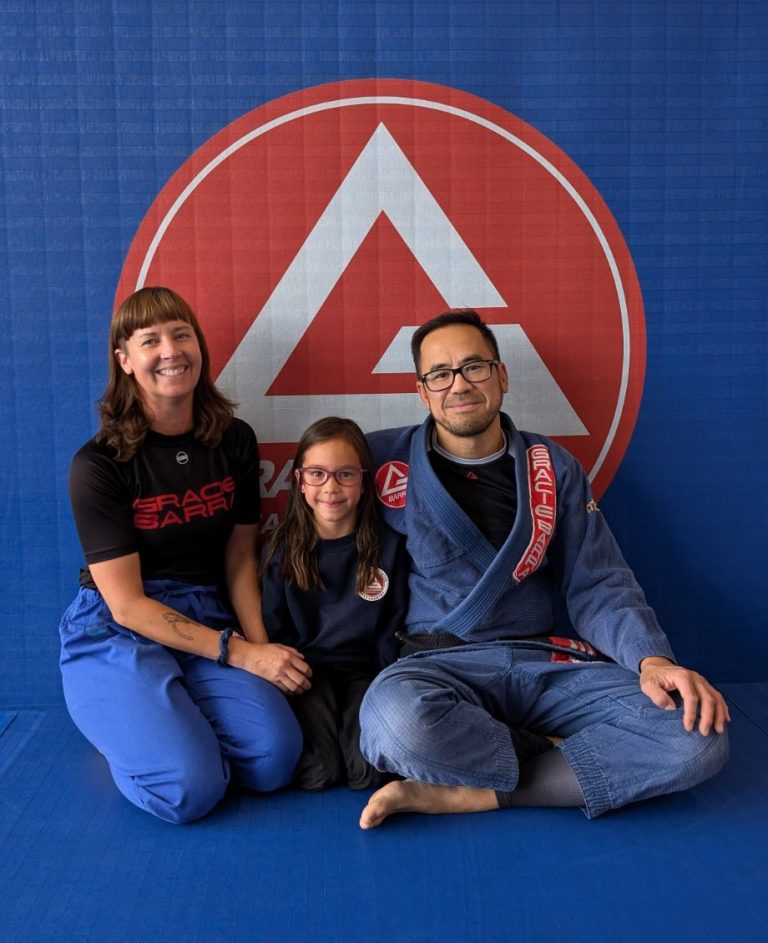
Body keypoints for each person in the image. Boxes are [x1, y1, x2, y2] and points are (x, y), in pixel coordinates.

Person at [358, 309, 730, 829]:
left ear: (502, 375)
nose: (458, 385)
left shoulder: (551, 467)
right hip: (441, 668)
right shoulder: (378, 458)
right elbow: (318, 533)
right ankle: (553, 760)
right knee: (393, 724)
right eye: (439, 374)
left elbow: (598, 582)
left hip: (545, 666)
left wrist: (651, 661)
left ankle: (481, 793)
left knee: (696, 735)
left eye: (474, 367)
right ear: (422, 391)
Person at [59, 286, 311, 824]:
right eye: (150, 340)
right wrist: (239, 654)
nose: (171, 350)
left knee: (274, 761)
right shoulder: (98, 465)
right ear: (125, 361)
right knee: (188, 791)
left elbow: (241, 558)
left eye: (181, 334)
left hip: (205, 614)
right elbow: (126, 605)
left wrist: (261, 653)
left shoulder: (234, 440)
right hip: (118, 625)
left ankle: (165, 724)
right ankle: (121, 719)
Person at [260, 417, 408, 791]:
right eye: (317, 475)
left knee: (370, 772)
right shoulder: (282, 549)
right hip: (308, 674)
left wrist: (385, 682)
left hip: (367, 671)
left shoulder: (389, 546)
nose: (331, 487)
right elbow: (274, 627)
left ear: (363, 482)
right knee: (318, 772)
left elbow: (396, 626)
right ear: (300, 483)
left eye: (345, 474)